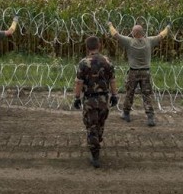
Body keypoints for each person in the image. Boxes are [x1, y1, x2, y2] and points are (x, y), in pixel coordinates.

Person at [108, 22, 170, 127]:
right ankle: (150, 117)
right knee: (146, 95)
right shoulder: (149, 41)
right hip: (145, 72)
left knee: (129, 93)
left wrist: (110, 25)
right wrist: (167, 27)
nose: (131, 32)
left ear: (135, 33)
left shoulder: (129, 42)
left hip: (133, 72)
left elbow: (115, 35)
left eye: (132, 31)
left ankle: (126, 113)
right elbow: (161, 35)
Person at [73, 36, 118, 168]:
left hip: (90, 99)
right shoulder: (107, 61)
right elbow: (112, 81)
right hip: (103, 99)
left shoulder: (83, 63)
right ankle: (96, 142)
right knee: (100, 124)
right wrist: (115, 95)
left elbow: (79, 82)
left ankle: (95, 154)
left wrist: (76, 97)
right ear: (99, 46)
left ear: (87, 47)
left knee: (91, 125)